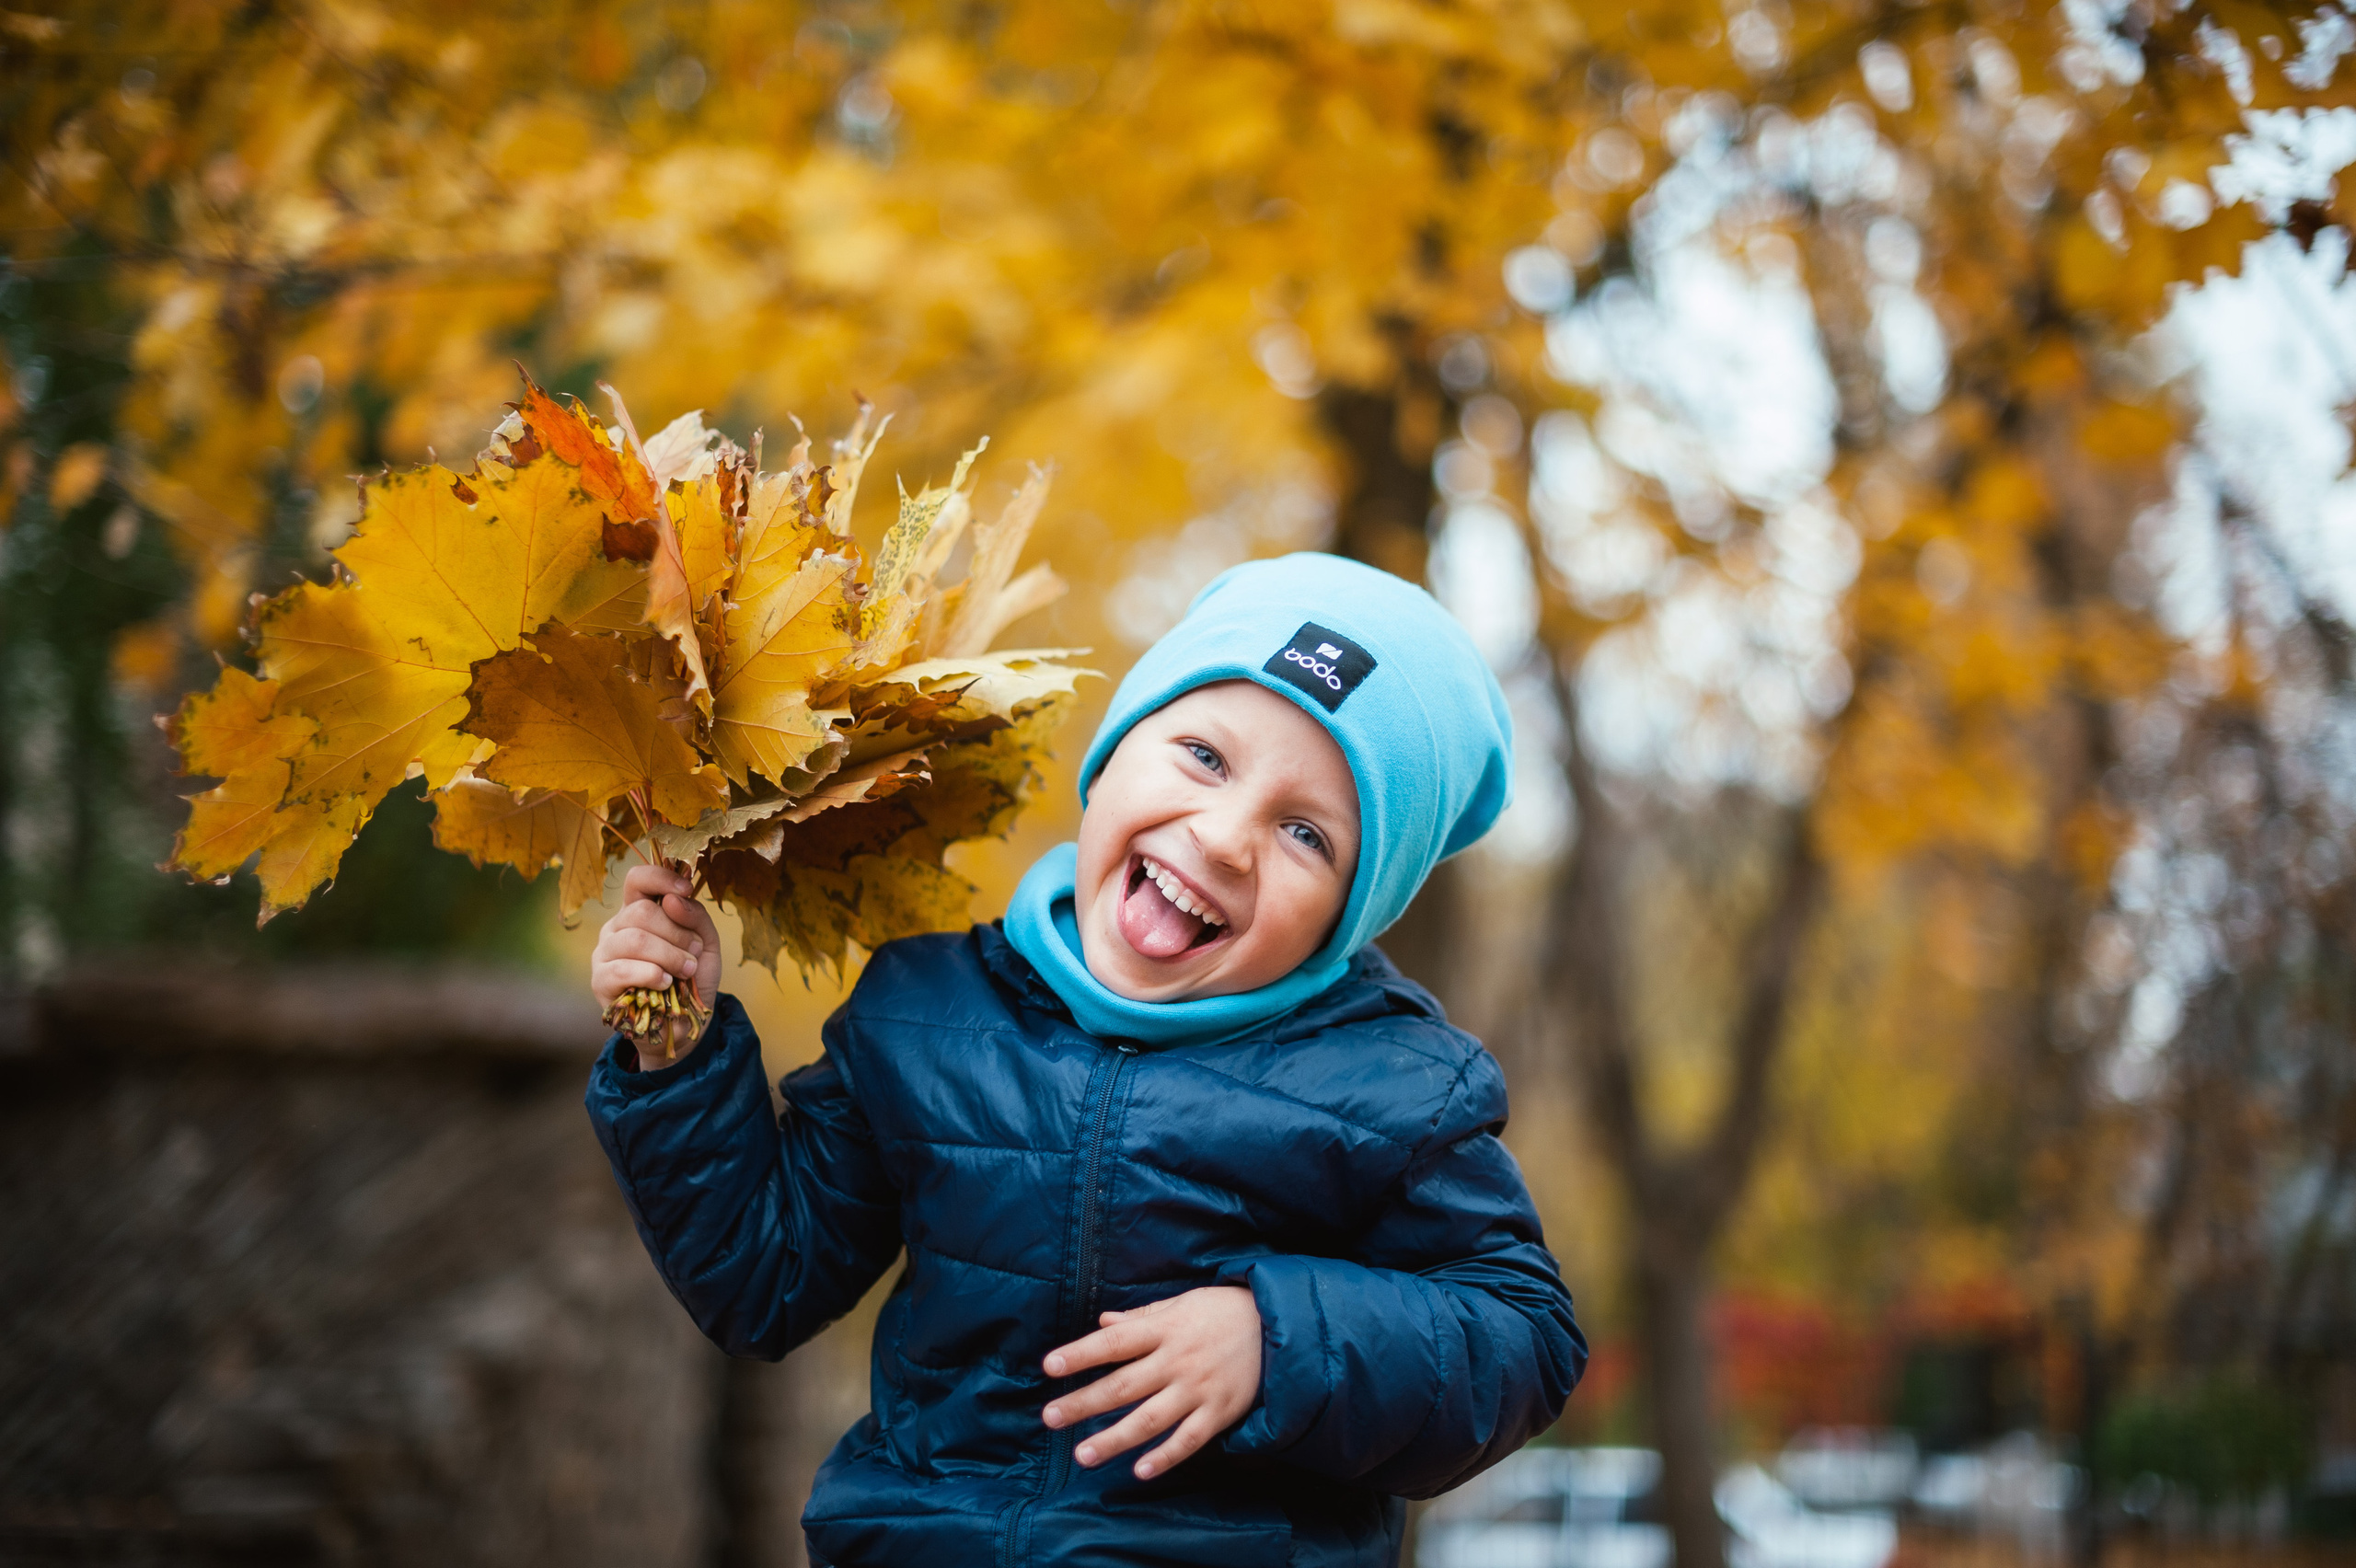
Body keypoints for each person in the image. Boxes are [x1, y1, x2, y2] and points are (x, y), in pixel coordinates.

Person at [586, 552, 1586, 1567]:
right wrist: (677, 1060)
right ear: (1110, 758)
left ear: (1349, 914)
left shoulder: (1393, 1085)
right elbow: (765, 1280)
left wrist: (1276, 1341)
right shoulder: (925, 1014)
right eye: (1204, 756)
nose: (1227, 835)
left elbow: (1522, 1338)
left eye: (1305, 834)